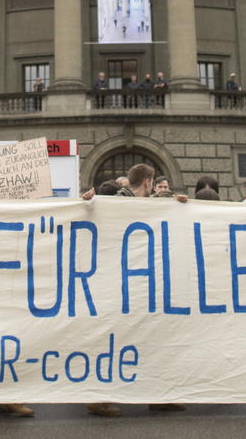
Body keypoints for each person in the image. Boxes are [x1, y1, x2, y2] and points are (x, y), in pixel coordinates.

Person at [81, 164, 186, 417]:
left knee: (152, 339)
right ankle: (98, 396)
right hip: (118, 285)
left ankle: (157, 395)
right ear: (149, 182)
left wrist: (180, 202)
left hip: (140, 286)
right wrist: (87, 201)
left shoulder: (149, 204)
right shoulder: (114, 203)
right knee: (112, 339)